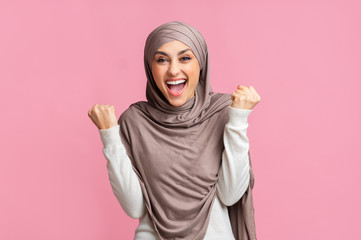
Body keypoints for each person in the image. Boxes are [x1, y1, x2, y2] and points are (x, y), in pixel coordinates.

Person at [88, 21, 261, 240]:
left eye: (185, 58)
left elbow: (230, 195)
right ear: (150, 68)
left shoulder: (223, 111)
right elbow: (134, 208)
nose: (173, 70)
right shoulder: (135, 121)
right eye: (162, 60)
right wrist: (110, 136)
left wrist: (238, 120)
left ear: (201, 63)